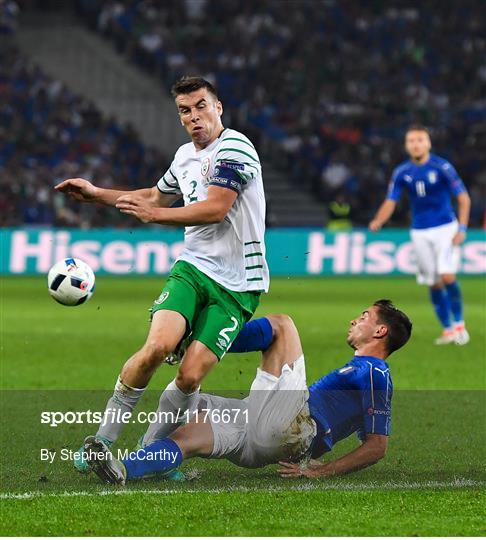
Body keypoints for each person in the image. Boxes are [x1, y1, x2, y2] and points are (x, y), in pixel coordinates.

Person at [55, 76, 269, 472]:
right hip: (193, 267)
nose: (194, 117)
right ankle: (100, 443)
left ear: (218, 107)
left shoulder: (236, 146)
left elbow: (216, 208)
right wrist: (97, 193)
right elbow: (155, 196)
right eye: (185, 111)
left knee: (190, 376)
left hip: (238, 286)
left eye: (201, 106)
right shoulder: (184, 156)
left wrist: (155, 216)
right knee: (156, 347)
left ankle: (151, 452)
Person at [83, 300, 412, 484]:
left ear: (380, 331)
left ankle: (198, 340)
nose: (356, 319)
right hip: (264, 440)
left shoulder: (375, 372)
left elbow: (377, 446)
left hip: (295, 427)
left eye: (365, 316)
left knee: (283, 325)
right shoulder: (361, 371)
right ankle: (127, 468)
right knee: (188, 415)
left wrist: (321, 471)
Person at [369, 125, 471, 345]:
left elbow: (463, 198)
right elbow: (391, 201)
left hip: (446, 228)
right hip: (419, 231)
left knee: (447, 276)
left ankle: (460, 325)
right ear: (407, 145)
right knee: (434, 282)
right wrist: (379, 220)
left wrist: (462, 228)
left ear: (428, 143)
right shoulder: (402, 172)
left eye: (420, 140)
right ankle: (447, 330)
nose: (416, 144)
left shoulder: (442, 166)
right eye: (411, 141)